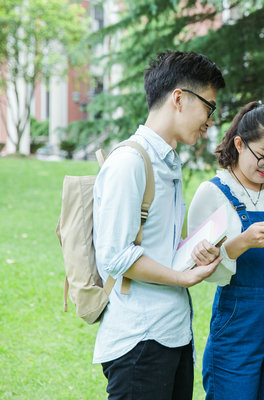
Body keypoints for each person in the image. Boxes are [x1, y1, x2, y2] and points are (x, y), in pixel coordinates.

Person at [92, 50, 226, 399]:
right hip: (140, 341)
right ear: (179, 99)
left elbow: (159, 246)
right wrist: (183, 277)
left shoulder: (168, 162)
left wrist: (193, 253)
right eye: (209, 106)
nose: (211, 120)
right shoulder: (130, 162)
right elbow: (117, 256)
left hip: (173, 333)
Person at [187, 101, 264, 400]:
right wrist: (242, 242)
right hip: (239, 317)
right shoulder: (213, 193)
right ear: (240, 144)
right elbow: (200, 271)